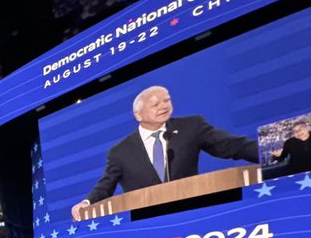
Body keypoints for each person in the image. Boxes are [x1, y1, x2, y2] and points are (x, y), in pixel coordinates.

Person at [71, 85, 259, 220]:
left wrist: (267, 152)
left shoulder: (191, 126)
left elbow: (231, 145)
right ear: (138, 115)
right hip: (147, 225)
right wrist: (86, 203)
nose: (164, 106)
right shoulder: (119, 151)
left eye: (167, 100)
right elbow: (106, 186)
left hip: (193, 215)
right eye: (155, 104)